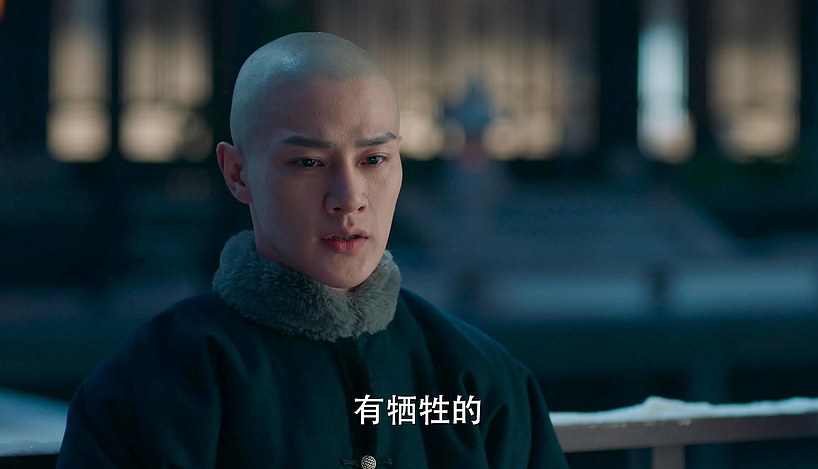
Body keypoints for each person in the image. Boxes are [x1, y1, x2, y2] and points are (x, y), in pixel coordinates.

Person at [57, 32, 569, 468]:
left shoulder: (477, 381)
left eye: (373, 159)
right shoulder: (161, 384)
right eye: (308, 162)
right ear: (237, 174)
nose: (348, 197)